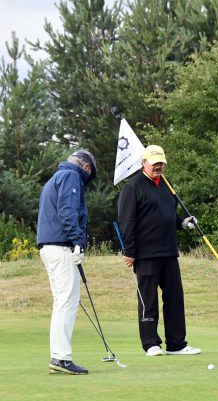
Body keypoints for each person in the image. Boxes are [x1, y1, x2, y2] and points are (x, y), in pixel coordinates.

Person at [117, 145, 201, 357]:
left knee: (174, 297)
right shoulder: (133, 187)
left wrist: (182, 223)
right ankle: (150, 343)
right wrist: (130, 250)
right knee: (149, 299)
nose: (158, 166)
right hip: (145, 254)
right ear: (143, 163)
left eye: (161, 162)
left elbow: (167, 214)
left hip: (169, 251)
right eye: (154, 162)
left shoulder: (166, 185)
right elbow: (127, 221)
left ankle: (176, 344)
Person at [36, 150, 97, 375]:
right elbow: (67, 212)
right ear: (85, 167)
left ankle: (58, 356)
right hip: (61, 247)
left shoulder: (56, 177)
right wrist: (78, 242)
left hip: (50, 247)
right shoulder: (71, 177)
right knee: (67, 302)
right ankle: (61, 358)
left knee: (61, 301)